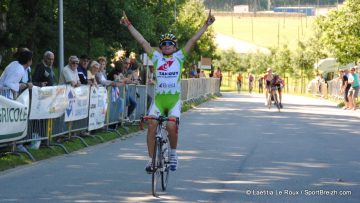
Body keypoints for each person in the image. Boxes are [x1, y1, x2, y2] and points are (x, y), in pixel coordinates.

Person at [120, 9, 215, 172]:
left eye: (170, 43)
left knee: (171, 126)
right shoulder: (157, 57)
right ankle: (150, 160)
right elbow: (142, 41)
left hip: (173, 101)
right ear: (161, 47)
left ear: (175, 46)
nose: (166, 45)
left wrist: (206, 25)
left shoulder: (179, 57)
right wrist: (129, 25)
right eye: (163, 43)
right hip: (159, 100)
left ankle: (173, 154)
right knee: (151, 125)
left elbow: (192, 40)